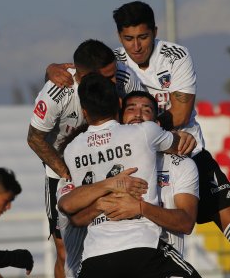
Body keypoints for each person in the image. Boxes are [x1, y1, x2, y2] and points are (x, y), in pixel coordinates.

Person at [46, 1, 230, 277]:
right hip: (133, 159)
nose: (136, 46)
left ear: (155, 32)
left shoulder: (175, 55)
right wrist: (51, 70)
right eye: (128, 39)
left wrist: (146, 128)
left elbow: (180, 113)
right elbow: (84, 81)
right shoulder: (111, 63)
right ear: (119, 36)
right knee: (80, 241)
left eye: (143, 37)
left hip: (183, 151)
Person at [60, 72, 201, 278]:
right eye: (131, 108)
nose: (138, 114)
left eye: (145, 109)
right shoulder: (145, 132)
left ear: (84, 112)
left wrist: (105, 200)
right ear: (118, 105)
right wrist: (183, 136)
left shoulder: (71, 150)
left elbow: (70, 211)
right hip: (141, 248)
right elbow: (178, 143)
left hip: (94, 258)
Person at [27, 39, 143, 278]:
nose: (115, 81)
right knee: (64, 251)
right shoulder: (55, 93)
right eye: (109, 77)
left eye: (115, 74)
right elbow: (34, 138)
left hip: (107, 161)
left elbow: (139, 112)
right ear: (86, 75)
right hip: (62, 171)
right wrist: (66, 172)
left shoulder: (123, 78)